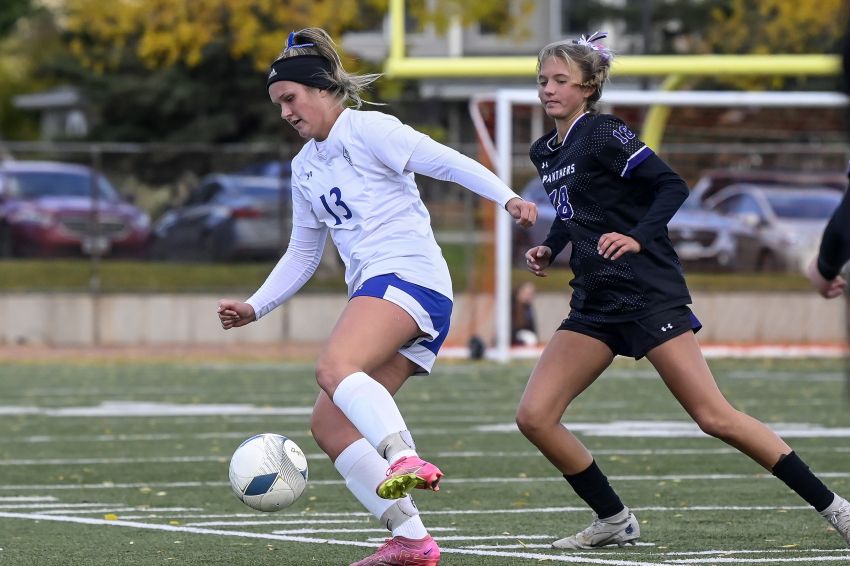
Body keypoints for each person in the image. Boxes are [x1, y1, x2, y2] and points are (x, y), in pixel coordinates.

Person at [517, 31, 850, 550]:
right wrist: (550, 245)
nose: (548, 89)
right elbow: (576, 209)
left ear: (588, 86)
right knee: (534, 417)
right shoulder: (545, 149)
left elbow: (672, 184)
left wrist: (636, 237)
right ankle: (614, 519)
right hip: (594, 301)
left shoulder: (604, 132)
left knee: (714, 417)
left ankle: (836, 508)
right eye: (542, 80)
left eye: (560, 80)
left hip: (648, 292)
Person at [217, 27, 537, 566]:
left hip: (409, 278)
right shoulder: (305, 167)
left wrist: (507, 197)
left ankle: (403, 455)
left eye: (290, 99)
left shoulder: (369, 129)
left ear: (321, 90)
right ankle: (412, 540)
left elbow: (446, 161)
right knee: (330, 424)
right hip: (382, 289)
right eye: (277, 105)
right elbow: (302, 253)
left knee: (335, 366)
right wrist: (256, 305)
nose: (285, 114)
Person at [511, 281, 539, 346]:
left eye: (532, 294)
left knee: (531, 338)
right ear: (519, 293)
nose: (531, 296)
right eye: (528, 293)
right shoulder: (512, 306)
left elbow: (533, 329)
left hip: (526, 339)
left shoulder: (529, 308)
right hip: (514, 338)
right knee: (529, 338)